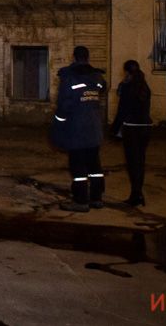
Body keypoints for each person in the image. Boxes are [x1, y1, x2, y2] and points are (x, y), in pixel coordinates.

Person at [50, 46, 107, 212]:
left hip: (76, 129)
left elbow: (64, 105)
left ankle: (80, 201)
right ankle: (96, 198)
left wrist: (57, 125)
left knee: (78, 167)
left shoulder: (69, 77)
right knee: (95, 166)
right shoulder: (97, 77)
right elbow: (103, 88)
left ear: (74, 57)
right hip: (94, 128)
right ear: (88, 57)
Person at [112, 59, 152, 207]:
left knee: (132, 162)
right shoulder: (144, 87)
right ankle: (138, 192)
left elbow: (122, 110)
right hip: (146, 127)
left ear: (127, 71)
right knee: (140, 161)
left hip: (132, 128)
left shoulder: (128, 87)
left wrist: (114, 129)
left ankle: (136, 194)